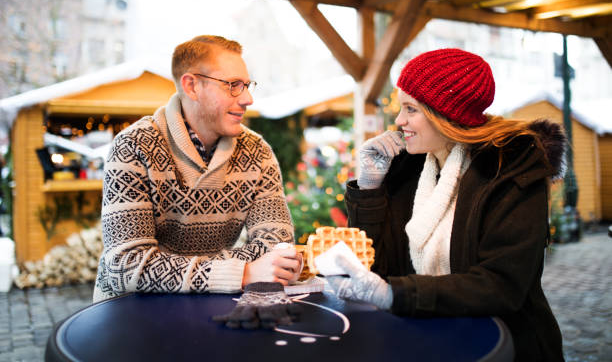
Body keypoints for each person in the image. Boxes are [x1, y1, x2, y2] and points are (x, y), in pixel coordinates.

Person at [328, 48, 565, 361]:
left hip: (504, 346)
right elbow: (374, 262)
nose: (399, 121)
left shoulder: (511, 171)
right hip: (427, 339)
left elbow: (501, 285)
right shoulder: (408, 168)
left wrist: (394, 293)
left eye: (410, 109)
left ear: (447, 114)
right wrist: (370, 187)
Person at [94, 35, 301, 302]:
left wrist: (177, 268)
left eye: (247, 85)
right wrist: (242, 272)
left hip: (210, 303)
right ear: (191, 86)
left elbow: (277, 247)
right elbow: (125, 266)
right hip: (128, 311)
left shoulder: (257, 152)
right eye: (233, 85)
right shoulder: (133, 146)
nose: (248, 98)